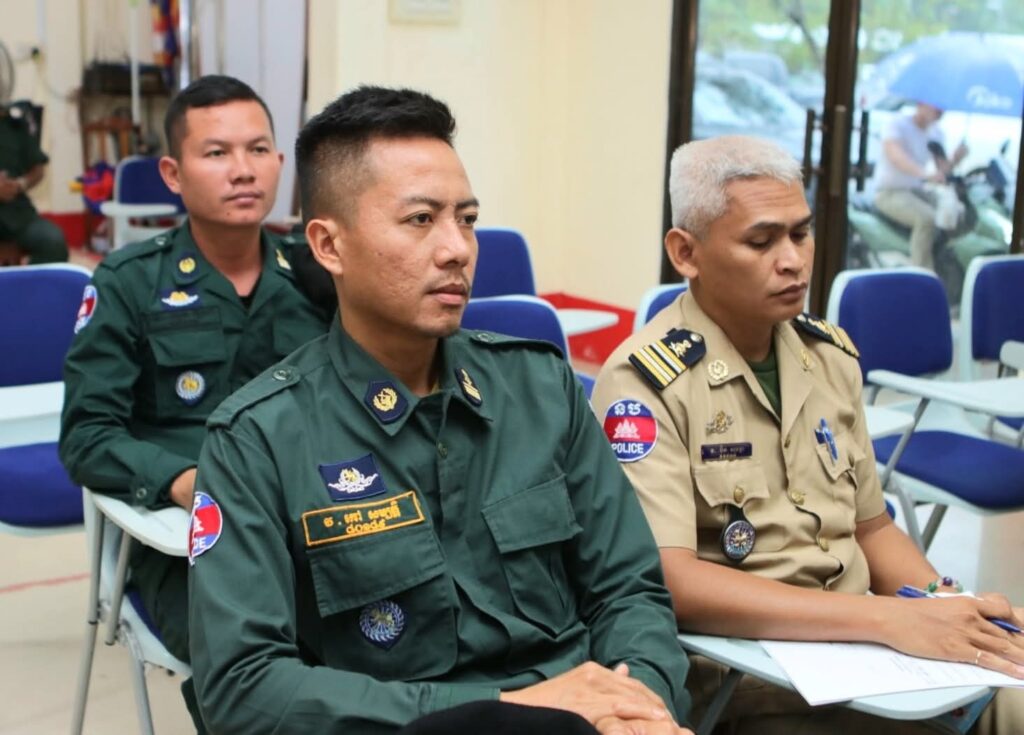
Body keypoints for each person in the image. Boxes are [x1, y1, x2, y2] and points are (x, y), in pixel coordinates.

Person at [186, 85, 693, 735]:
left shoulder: (541, 387)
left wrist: (640, 704)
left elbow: (630, 591)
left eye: (468, 219)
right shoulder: (259, 436)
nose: (457, 249)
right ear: (329, 245)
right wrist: (507, 714)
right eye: (421, 220)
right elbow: (242, 687)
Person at [592, 135, 1024, 734]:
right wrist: (887, 622)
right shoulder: (645, 382)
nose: (793, 260)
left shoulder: (828, 357)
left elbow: (872, 528)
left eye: (801, 233)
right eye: (761, 241)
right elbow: (672, 580)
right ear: (686, 253)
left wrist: (945, 604)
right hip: (753, 674)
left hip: (863, 651)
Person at [59, 75, 330, 673]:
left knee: (389, 637)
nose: (243, 170)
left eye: (258, 149)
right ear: (173, 174)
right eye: (216, 153)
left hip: (314, 523)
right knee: (249, 664)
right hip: (185, 537)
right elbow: (87, 436)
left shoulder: (317, 276)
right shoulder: (130, 283)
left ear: (280, 163)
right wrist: (182, 481)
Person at [872, 101, 967, 270]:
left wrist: (955, 159)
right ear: (921, 103)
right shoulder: (897, 124)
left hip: (917, 191)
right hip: (890, 192)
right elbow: (896, 156)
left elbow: (942, 171)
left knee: (955, 212)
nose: (941, 109)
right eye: (936, 104)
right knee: (927, 219)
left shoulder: (936, 133)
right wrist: (924, 174)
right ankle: (922, 272)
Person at [0, 102, 68, 263]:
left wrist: (19, 184)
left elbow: (38, 169)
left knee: (53, 241)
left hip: (16, 212)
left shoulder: (14, 124)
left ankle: (28, 278)